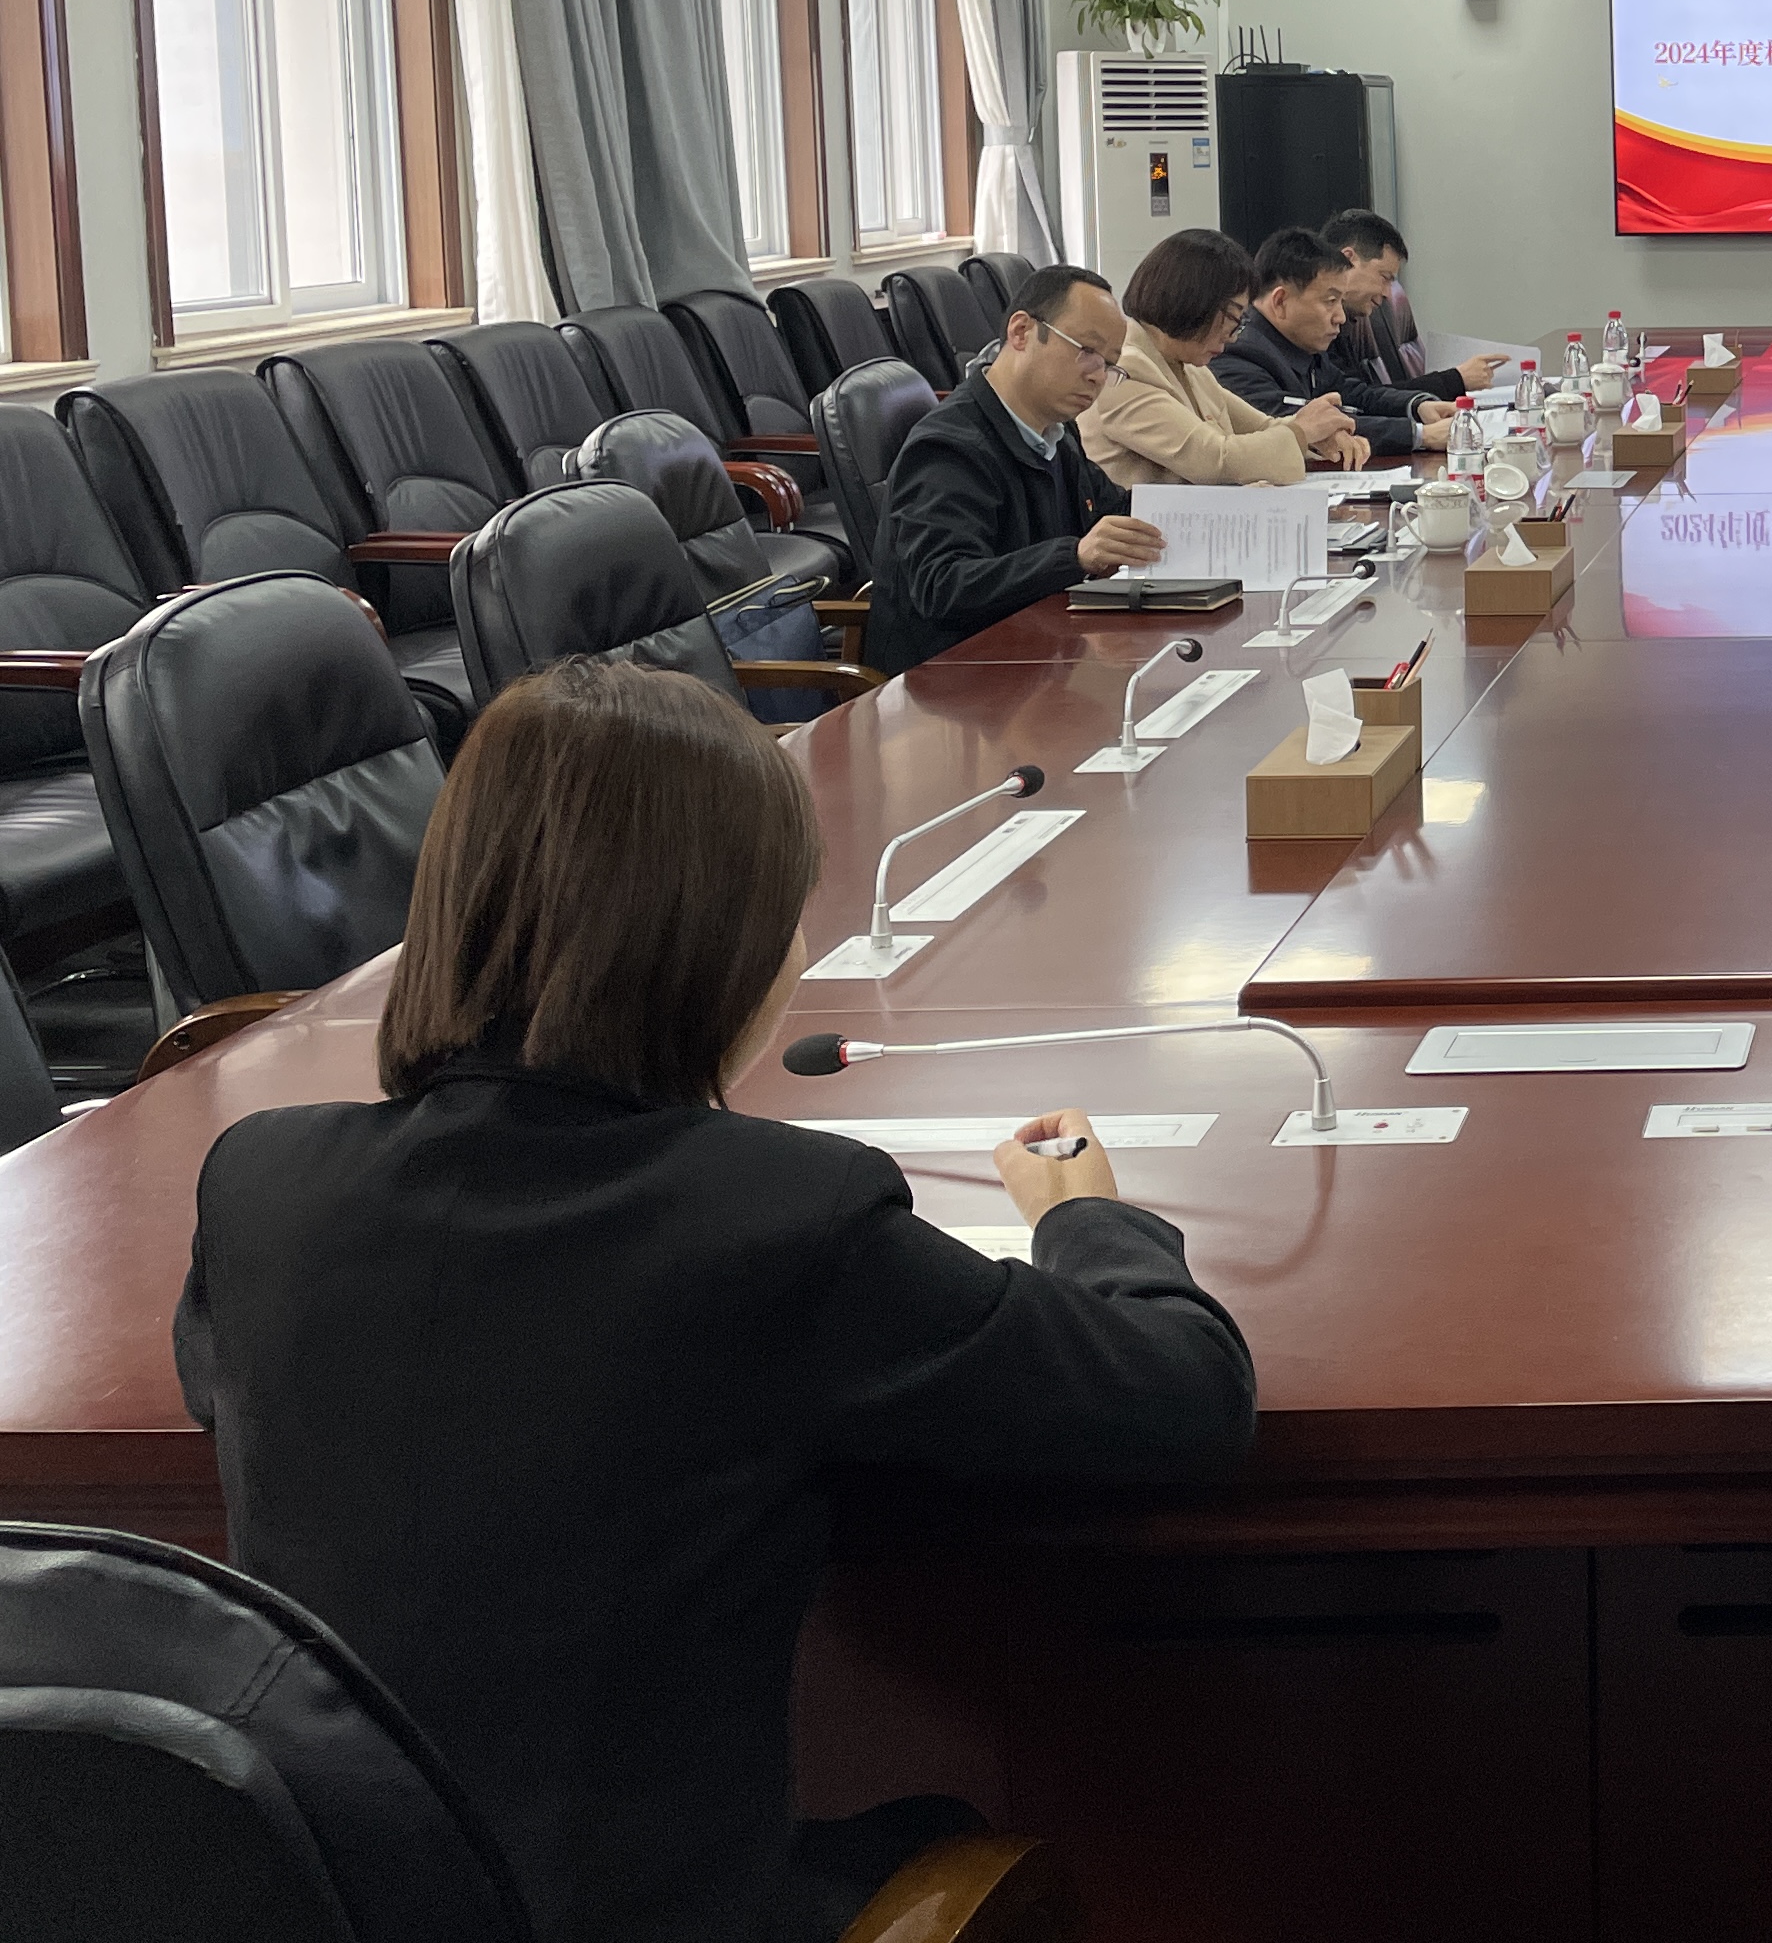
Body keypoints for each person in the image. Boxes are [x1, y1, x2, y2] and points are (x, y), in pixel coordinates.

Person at [174, 657, 1258, 1943]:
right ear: (720, 945)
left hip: (333, 1907)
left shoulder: (259, 1180)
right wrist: (1086, 1215)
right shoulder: (782, 1217)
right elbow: (1185, 1397)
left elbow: (235, 1382)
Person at [869, 264, 1165, 672]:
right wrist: (1075, 556)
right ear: (1022, 331)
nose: (1097, 376)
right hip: (953, 679)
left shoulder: (1057, 432)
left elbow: (1112, 509)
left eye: (1109, 364)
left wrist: (1212, 511)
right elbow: (941, 586)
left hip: (1038, 658)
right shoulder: (949, 447)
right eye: (1086, 350)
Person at [1082, 227, 1367, 490]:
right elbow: (1213, 460)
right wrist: (1302, 431)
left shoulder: (1189, 365)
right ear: (1195, 304)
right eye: (1233, 318)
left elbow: (1263, 426)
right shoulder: (1125, 369)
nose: (1233, 336)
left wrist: (1320, 434)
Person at [1216, 225, 1458, 451]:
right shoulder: (1237, 355)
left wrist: (1417, 406)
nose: (1340, 317)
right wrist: (1420, 435)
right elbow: (1300, 427)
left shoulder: (1302, 348)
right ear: (1280, 301)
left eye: (1341, 302)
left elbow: (1358, 396)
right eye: (1330, 301)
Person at [1321, 209, 1503, 404]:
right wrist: (1454, 381)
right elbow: (1353, 398)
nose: (1387, 293)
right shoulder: (1315, 323)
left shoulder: (1348, 321)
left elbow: (1361, 396)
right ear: (1348, 260)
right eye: (1384, 277)